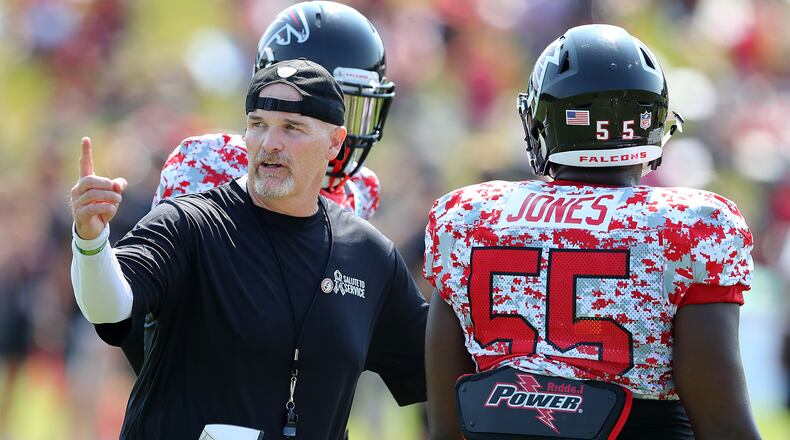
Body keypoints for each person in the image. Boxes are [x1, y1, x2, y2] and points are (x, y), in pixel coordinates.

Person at [423, 25, 761, 440]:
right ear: (652, 123)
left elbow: (444, 424)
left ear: (541, 120)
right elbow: (724, 424)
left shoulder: (466, 215)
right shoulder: (692, 223)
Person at [70, 59, 427, 439]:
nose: (270, 143)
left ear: (335, 143)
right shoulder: (189, 223)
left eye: (292, 128)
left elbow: (433, 370)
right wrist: (90, 241)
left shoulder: (368, 254)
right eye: (258, 125)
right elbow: (109, 310)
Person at [113, 0, 397, 376]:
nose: (346, 132)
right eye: (328, 106)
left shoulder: (361, 187)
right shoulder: (209, 162)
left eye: (353, 109)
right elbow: (153, 319)